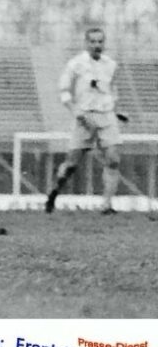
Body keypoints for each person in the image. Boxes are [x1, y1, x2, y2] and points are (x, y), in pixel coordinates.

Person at [45, 27, 123, 215]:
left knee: (113, 160)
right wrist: (75, 111)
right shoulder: (76, 64)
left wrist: (117, 109)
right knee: (71, 164)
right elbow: (64, 90)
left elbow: (112, 89)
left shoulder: (111, 65)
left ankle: (106, 205)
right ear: (86, 43)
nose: (97, 45)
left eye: (100, 41)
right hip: (85, 117)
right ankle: (54, 192)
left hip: (106, 116)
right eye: (93, 41)